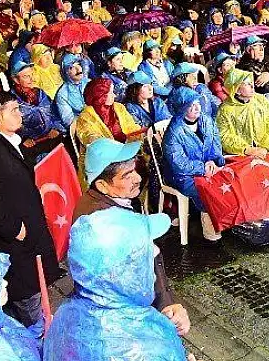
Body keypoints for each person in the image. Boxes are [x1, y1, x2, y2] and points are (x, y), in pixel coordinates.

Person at [72, 138, 193, 336]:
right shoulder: (100, 223)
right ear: (102, 185)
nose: (137, 178)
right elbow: (136, 278)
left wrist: (167, 304)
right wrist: (165, 309)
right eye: (127, 175)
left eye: (134, 169)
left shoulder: (110, 200)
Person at [44, 208, 187, 361]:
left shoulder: (66, 313)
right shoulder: (152, 350)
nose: (155, 251)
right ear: (121, 273)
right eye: (142, 250)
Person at [0, 91, 58, 328]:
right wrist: (13, 229)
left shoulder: (9, 142)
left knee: (35, 289)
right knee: (26, 297)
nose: (20, 115)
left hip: (28, 229)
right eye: (14, 111)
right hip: (14, 240)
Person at [162, 87, 228, 240]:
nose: (197, 107)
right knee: (207, 190)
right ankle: (210, 230)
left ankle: (226, 220)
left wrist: (213, 160)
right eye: (191, 106)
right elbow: (179, 164)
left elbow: (215, 143)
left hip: (208, 165)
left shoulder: (206, 120)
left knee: (229, 180)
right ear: (182, 109)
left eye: (198, 103)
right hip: (182, 175)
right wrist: (202, 168)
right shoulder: (174, 132)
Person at [216, 68, 269, 157]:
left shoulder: (261, 101)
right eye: (247, 84)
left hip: (267, 151)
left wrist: (266, 148)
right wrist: (246, 149)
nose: (252, 86)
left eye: (251, 82)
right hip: (241, 155)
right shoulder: (225, 110)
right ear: (236, 89)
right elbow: (224, 136)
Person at [9, 62, 65, 157]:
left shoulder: (40, 92)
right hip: (32, 144)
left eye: (32, 75)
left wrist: (55, 128)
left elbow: (53, 111)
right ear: (16, 80)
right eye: (26, 76)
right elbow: (10, 124)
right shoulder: (11, 100)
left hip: (50, 136)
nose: (32, 79)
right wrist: (23, 139)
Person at [54, 53, 90, 127]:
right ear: (66, 72)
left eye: (78, 65)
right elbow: (69, 120)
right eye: (71, 67)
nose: (78, 69)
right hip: (82, 126)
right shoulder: (63, 93)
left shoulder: (90, 83)